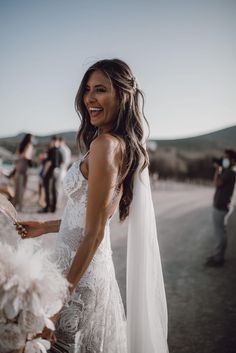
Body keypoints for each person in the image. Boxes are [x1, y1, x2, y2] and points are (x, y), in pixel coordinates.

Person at [16, 59, 168, 353]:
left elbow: (95, 232)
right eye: (87, 89)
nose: (89, 98)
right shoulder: (115, 144)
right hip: (86, 269)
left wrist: (60, 303)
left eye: (100, 90)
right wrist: (45, 227)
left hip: (79, 276)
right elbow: (95, 216)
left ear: (122, 97)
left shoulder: (106, 146)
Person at [205, 149, 236, 267]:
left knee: (219, 233)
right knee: (220, 232)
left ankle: (218, 259)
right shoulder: (229, 171)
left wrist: (218, 171)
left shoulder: (230, 173)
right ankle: (218, 255)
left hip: (221, 206)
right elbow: (216, 184)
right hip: (222, 205)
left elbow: (216, 183)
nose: (224, 160)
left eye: (226, 157)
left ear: (233, 160)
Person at [40, 136, 63, 213]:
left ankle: (47, 207)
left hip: (50, 172)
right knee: (54, 189)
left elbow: (48, 163)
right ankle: (53, 208)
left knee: (47, 190)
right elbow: (62, 162)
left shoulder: (51, 150)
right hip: (57, 171)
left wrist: (44, 173)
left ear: (52, 141)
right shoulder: (60, 151)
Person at [13, 133, 33, 211]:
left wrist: (19, 158)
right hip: (24, 168)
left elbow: (18, 155)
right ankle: (20, 206)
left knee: (17, 188)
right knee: (22, 188)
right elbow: (26, 155)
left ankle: (15, 204)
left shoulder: (21, 145)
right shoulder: (29, 145)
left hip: (19, 166)